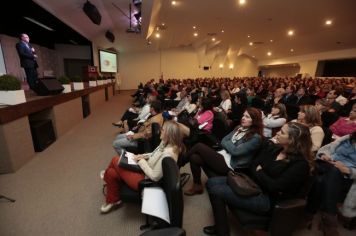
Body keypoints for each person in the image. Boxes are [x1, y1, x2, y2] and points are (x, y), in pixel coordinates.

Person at [204, 122, 314, 236]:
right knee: (211, 182)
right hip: (254, 184)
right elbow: (253, 164)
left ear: (292, 140)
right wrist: (261, 173)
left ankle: (222, 231)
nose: (278, 133)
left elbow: (274, 187)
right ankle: (220, 225)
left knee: (216, 191)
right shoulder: (276, 149)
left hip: (268, 199)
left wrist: (260, 171)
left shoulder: (300, 165)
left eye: (282, 132)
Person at [100, 120, 185, 213]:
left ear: (169, 134)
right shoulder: (165, 143)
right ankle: (114, 200)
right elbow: (153, 154)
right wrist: (142, 156)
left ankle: (105, 177)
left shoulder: (168, 154)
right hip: (144, 169)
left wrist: (141, 160)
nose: (160, 131)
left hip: (144, 180)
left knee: (115, 160)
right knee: (111, 173)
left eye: (163, 130)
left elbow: (155, 176)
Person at [184, 107, 263, 196]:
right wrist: (231, 145)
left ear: (254, 121)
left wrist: (230, 145)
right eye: (243, 115)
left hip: (231, 165)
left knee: (199, 146)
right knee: (194, 157)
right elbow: (223, 140)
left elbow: (235, 152)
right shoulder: (238, 128)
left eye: (247, 117)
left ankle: (181, 162)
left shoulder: (256, 137)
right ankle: (197, 185)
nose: (243, 118)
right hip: (223, 155)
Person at [306, 132, 356, 236]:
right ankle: (328, 222)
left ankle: (311, 214)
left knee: (320, 181)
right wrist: (323, 155)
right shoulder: (348, 138)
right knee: (327, 171)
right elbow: (326, 148)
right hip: (327, 164)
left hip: (346, 176)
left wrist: (348, 170)